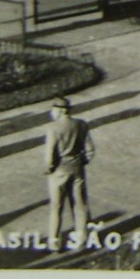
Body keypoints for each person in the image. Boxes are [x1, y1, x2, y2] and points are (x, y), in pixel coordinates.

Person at [44, 97, 94, 250]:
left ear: (59, 111)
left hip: (59, 170)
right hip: (77, 167)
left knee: (56, 206)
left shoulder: (53, 128)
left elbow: (50, 154)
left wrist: (49, 168)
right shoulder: (81, 124)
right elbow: (90, 149)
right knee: (79, 204)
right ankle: (82, 237)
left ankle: (54, 240)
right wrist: (82, 161)